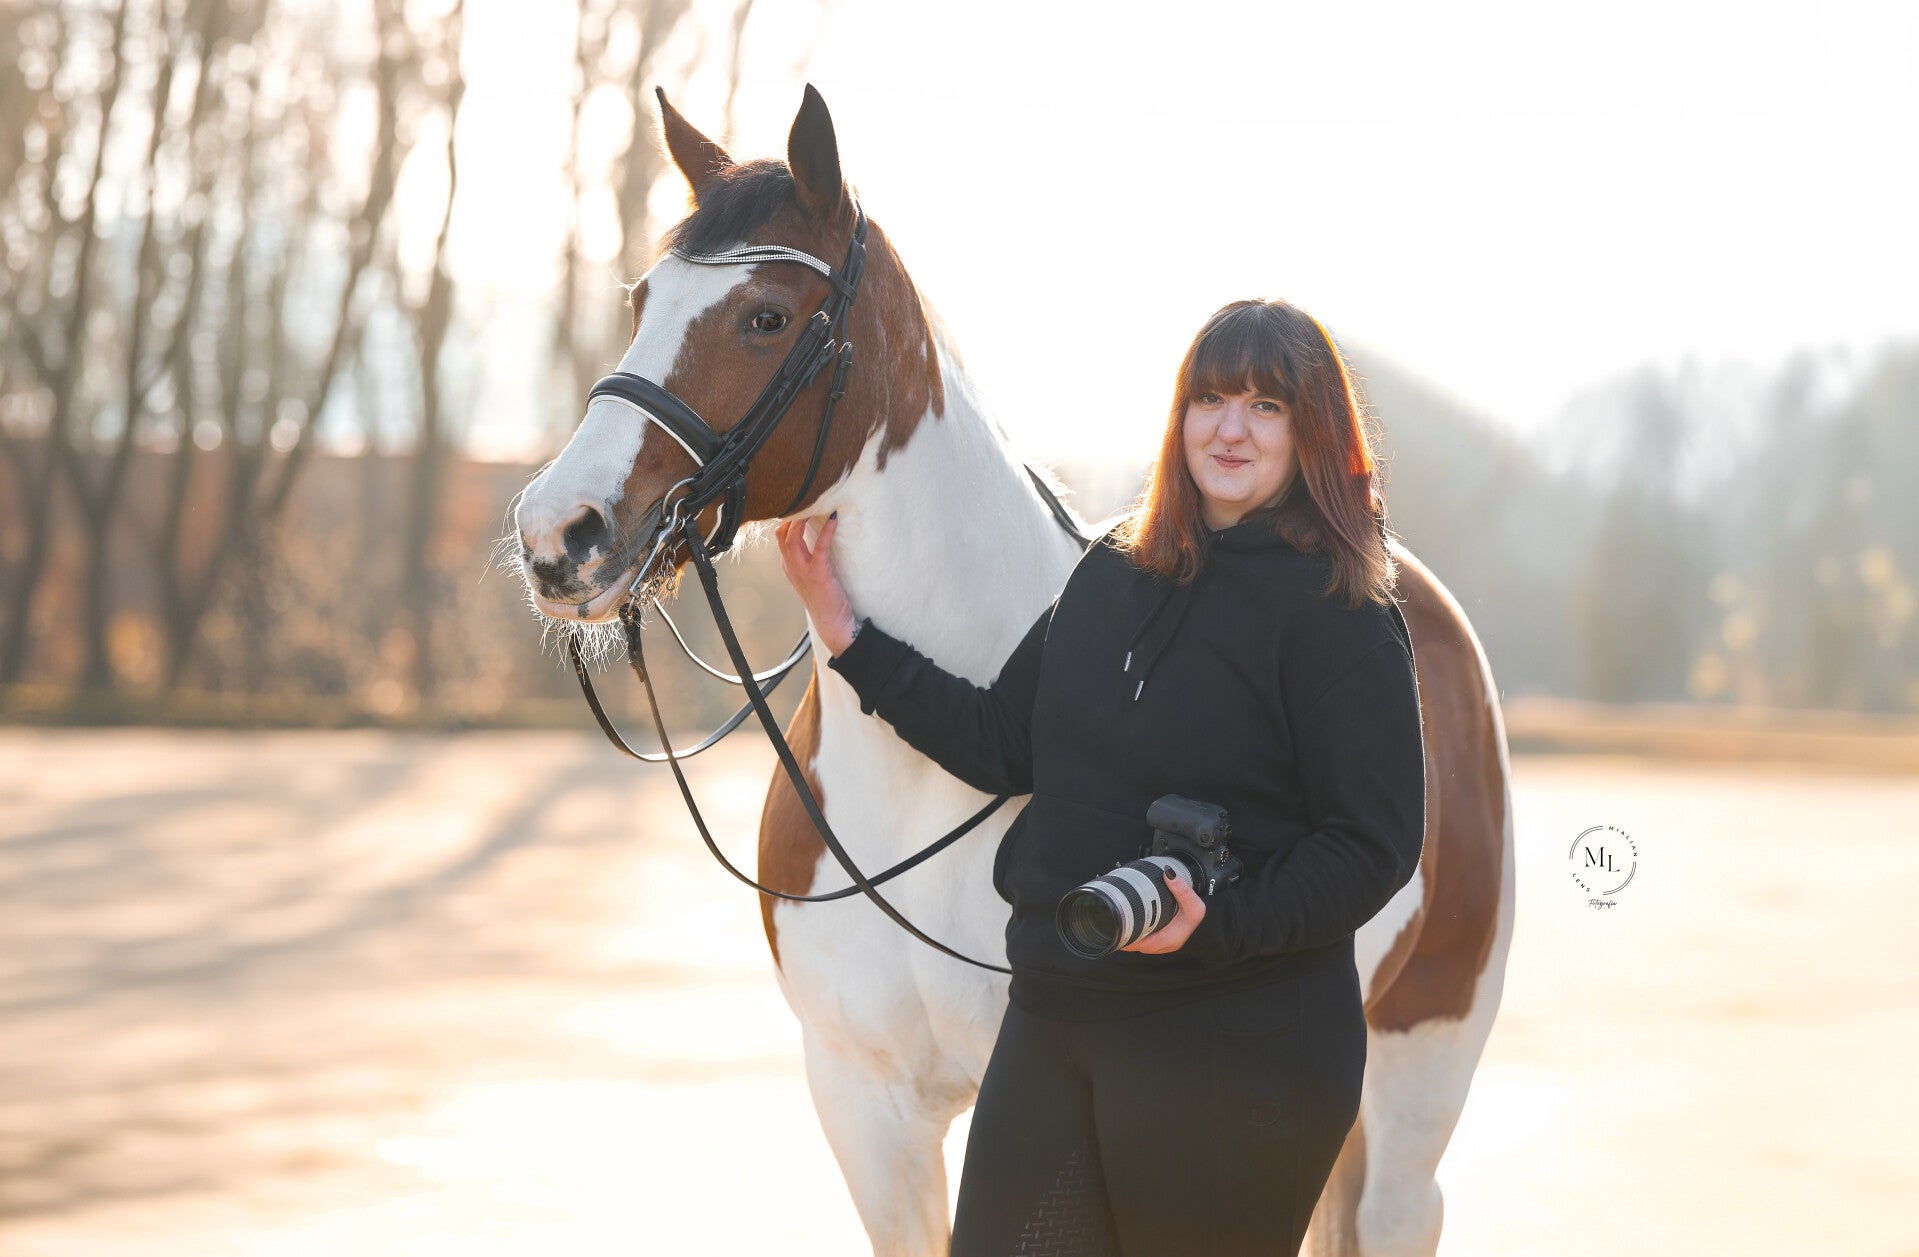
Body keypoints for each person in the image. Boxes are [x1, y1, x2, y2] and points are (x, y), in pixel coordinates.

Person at [775, 298, 1426, 1256]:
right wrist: (846, 636)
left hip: (1237, 1047)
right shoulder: (1113, 569)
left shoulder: (1342, 610)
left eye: (1265, 405)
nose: (1230, 428)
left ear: (1313, 431)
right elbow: (1002, 739)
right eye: (1210, 398)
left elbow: (1372, 845)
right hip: (1057, 1020)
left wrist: (1224, 922)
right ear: (1180, 416)